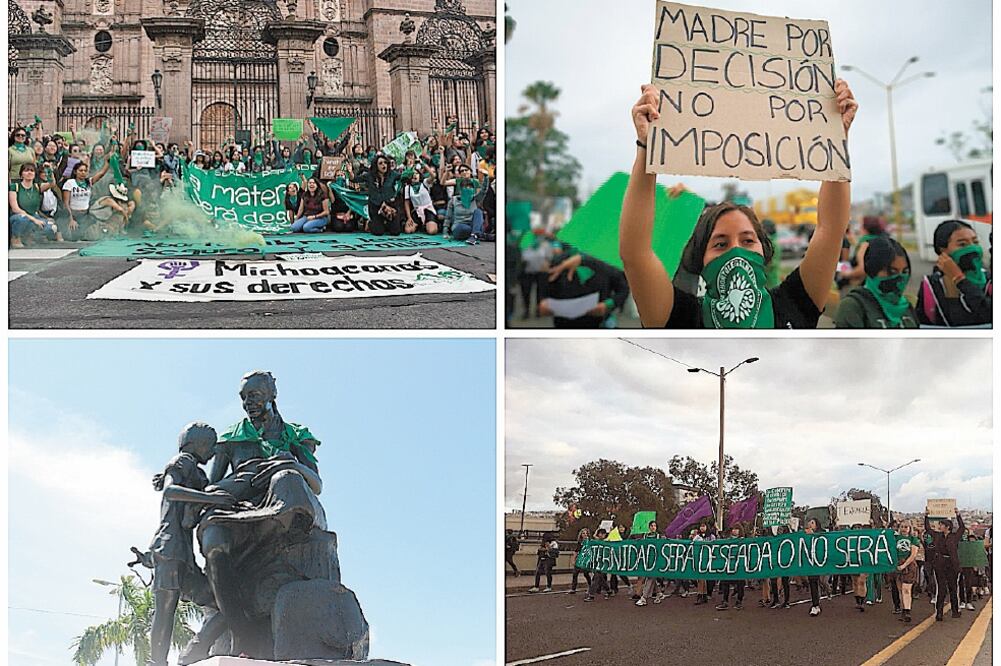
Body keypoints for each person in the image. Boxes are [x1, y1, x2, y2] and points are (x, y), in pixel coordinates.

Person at [620, 80, 858, 328]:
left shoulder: (794, 302)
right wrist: (647, 147)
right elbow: (635, 253)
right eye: (720, 244)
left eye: (747, 241)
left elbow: (830, 230)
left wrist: (835, 141)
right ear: (701, 257)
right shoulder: (681, 316)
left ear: (764, 250)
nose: (736, 252)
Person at [143, 422, 235, 666]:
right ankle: (157, 663)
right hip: (169, 549)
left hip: (183, 554)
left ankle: (191, 655)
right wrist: (209, 498)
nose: (214, 453)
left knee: (223, 605)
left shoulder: (198, 474)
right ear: (198, 444)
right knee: (165, 611)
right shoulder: (182, 461)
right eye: (211, 446)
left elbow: (187, 518)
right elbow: (171, 491)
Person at [916, 220, 992, 326]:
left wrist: (960, 279)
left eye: (975, 242)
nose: (973, 248)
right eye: (962, 244)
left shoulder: (990, 282)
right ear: (943, 251)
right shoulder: (930, 287)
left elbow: (988, 313)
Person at [835, 235, 918, 328]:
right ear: (872, 270)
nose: (900, 278)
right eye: (892, 272)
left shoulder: (908, 306)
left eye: (905, 271)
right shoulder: (853, 306)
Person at [542, 251, 631, 328]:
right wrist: (545, 304)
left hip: (598, 325)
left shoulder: (606, 261)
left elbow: (623, 289)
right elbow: (546, 291)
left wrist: (608, 305)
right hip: (565, 326)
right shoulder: (559, 261)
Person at [9, 163, 59, 247]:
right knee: (22, 219)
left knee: (51, 227)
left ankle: (28, 236)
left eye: (32, 171)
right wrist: (34, 219)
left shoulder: (37, 186)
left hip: (34, 216)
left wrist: (49, 171)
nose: (29, 173)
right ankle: (15, 238)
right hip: (19, 216)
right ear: (21, 174)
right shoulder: (15, 186)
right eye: (26, 170)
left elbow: (52, 184)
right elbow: (15, 209)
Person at [60, 158, 111, 241]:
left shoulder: (88, 182)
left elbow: (101, 174)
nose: (83, 173)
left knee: (92, 236)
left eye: (85, 171)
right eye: (80, 171)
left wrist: (108, 162)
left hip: (85, 214)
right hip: (73, 214)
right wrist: (71, 219)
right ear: (75, 172)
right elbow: (66, 203)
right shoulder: (70, 183)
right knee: (74, 237)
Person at [926, 508, 964, 621]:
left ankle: (955, 611)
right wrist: (926, 516)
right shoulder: (937, 536)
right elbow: (928, 529)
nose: (939, 526)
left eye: (941, 525)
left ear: (947, 527)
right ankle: (939, 613)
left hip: (952, 564)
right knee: (941, 588)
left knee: (953, 587)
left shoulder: (954, 537)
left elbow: (962, 528)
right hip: (940, 564)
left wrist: (958, 515)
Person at [444, 176, 490, 243]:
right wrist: (445, 232)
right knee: (463, 228)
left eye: (470, 187)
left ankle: (474, 235)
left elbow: (483, 190)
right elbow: (448, 217)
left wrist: (486, 177)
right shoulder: (453, 200)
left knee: (478, 211)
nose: (468, 189)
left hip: (474, 225)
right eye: (465, 187)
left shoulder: (475, 199)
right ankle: (479, 235)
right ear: (461, 190)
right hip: (459, 227)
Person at [366, 155, 403, 236]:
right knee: (378, 232)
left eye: (385, 163)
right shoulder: (370, 176)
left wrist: (410, 168)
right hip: (376, 206)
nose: (384, 165)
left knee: (395, 232)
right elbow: (354, 179)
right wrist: (350, 172)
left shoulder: (392, 174)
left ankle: (387, 223)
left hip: (391, 205)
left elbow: (404, 177)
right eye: (381, 163)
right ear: (376, 165)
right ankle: (371, 223)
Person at [894, 523, 920, 623]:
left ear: (910, 529)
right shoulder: (895, 538)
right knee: (900, 589)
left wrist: (904, 565)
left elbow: (913, 555)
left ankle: (907, 610)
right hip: (898, 564)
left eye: (906, 527)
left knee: (906, 589)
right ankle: (903, 609)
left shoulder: (913, 539)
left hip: (909, 566)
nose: (904, 529)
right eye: (902, 527)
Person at [715, 525, 745, 610]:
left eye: (736, 529)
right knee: (725, 583)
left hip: (739, 566)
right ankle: (725, 601)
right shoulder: (727, 541)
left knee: (740, 585)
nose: (734, 530)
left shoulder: (744, 541)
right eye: (733, 529)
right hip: (728, 566)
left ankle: (739, 601)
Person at [636, 520, 664, 607]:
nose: (653, 527)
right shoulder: (645, 536)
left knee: (650, 577)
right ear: (649, 527)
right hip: (647, 560)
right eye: (651, 526)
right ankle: (659, 593)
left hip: (656, 560)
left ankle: (644, 598)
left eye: (655, 526)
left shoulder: (658, 536)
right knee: (652, 577)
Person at [583, 528, 612, 602]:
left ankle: (591, 595)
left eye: (603, 534)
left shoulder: (606, 543)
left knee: (596, 578)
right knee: (600, 578)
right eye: (600, 533)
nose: (601, 535)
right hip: (596, 563)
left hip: (603, 563)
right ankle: (608, 590)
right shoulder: (596, 542)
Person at [804, 518, 824, 617]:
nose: (810, 524)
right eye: (809, 523)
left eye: (812, 523)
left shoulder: (822, 533)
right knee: (812, 582)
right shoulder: (805, 533)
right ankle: (815, 604)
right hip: (810, 562)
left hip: (819, 562)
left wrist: (813, 535)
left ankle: (817, 603)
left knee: (819, 582)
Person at [569, 528, 593, 594]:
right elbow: (576, 551)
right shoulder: (580, 543)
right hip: (579, 560)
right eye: (583, 533)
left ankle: (590, 586)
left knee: (586, 574)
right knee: (575, 573)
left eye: (586, 533)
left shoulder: (590, 542)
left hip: (586, 560)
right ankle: (573, 588)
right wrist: (573, 560)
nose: (585, 535)